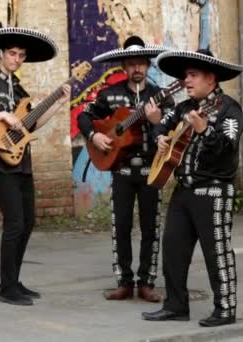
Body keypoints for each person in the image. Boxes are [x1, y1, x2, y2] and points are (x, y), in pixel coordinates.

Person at [0, 27, 70, 306]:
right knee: (14, 223)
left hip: (22, 161)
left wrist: (59, 103)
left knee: (28, 222)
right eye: (12, 53)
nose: (17, 59)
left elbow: (32, 124)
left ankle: (13, 280)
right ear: (0, 54)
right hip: (0, 162)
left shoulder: (21, 90)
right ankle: (6, 288)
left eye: (21, 55)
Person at [141, 48, 243, 326]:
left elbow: (227, 147)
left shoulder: (229, 109)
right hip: (183, 191)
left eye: (193, 75)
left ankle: (225, 309)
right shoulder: (184, 107)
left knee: (217, 252)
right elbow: (161, 124)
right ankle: (175, 306)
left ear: (211, 78)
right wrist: (161, 137)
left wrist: (204, 130)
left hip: (214, 192)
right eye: (185, 75)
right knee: (173, 249)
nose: (186, 81)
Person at [77, 36, 173, 302]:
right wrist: (94, 136)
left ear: (148, 65)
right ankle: (124, 282)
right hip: (120, 171)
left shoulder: (159, 96)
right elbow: (84, 115)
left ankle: (147, 283)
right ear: (124, 66)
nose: (137, 69)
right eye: (131, 64)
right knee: (120, 227)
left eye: (141, 63)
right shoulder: (109, 94)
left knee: (151, 229)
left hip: (151, 172)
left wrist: (156, 122)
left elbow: (172, 134)